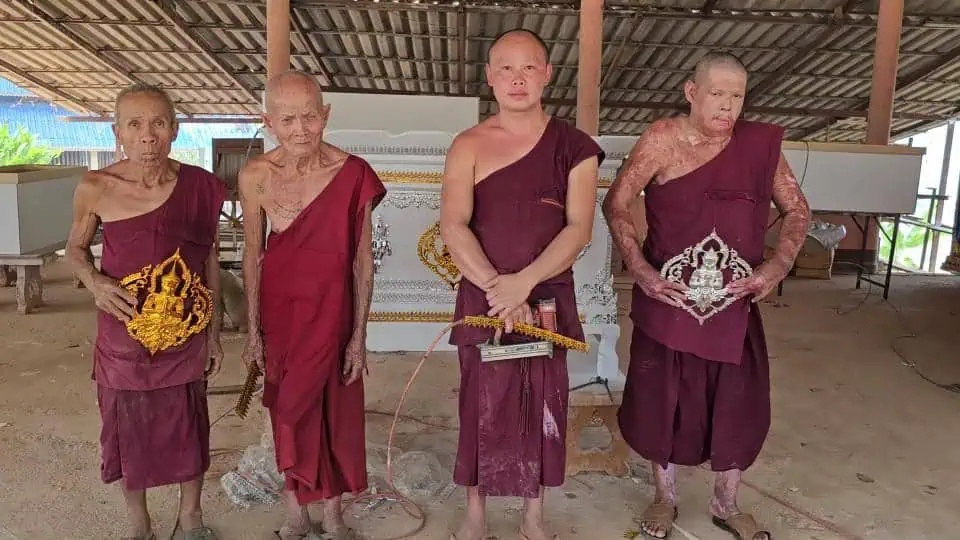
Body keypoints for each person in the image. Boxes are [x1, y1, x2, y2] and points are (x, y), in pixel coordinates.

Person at [602, 52, 811, 540]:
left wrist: (776, 266)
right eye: (717, 94)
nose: (727, 106)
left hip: (732, 302)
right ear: (691, 92)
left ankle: (726, 501)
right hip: (669, 297)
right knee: (661, 400)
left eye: (737, 96)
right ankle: (664, 496)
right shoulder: (662, 140)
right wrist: (640, 269)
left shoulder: (760, 146)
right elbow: (617, 201)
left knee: (738, 403)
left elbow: (798, 210)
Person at [439, 28, 604, 540]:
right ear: (489, 77)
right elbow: (453, 224)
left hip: (546, 299)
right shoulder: (467, 145)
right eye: (505, 68)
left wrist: (524, 285)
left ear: (547, 75)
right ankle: (476, 516)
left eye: (529, 67)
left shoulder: (574, 148)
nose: (517, 78)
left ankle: (533, 518)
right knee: (480, 402)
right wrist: (497, 288)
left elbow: (579, 228)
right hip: (482, 295)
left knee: (543, 401)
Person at [65, 83, 226, 540]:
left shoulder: (200, 186)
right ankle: (140, 521)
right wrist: (94, 282)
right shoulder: (96, 187)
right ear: (118, 133)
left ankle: (190, 516)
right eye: (134, 124)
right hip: (122, 334)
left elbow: (210, 258)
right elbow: (74, 250)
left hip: (185, 330)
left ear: (175, 129)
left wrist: (212, 333)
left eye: (158, 122)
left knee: (188, 423)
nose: (147, 135)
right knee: (125, 424)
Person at [238, 70, 385, 540]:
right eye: (287, 120)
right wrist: (252, 332)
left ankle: (335, 515)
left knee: (337, 411)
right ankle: (295, 514)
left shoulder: (353, 172)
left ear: (325, 115)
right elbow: (252, 255)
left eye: (309, 117)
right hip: (283, 316)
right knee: (288, 411)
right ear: (269, 122)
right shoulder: (255, 176)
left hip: (335, 315)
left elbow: (363, 261)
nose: (300, 129)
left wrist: (359, 336)